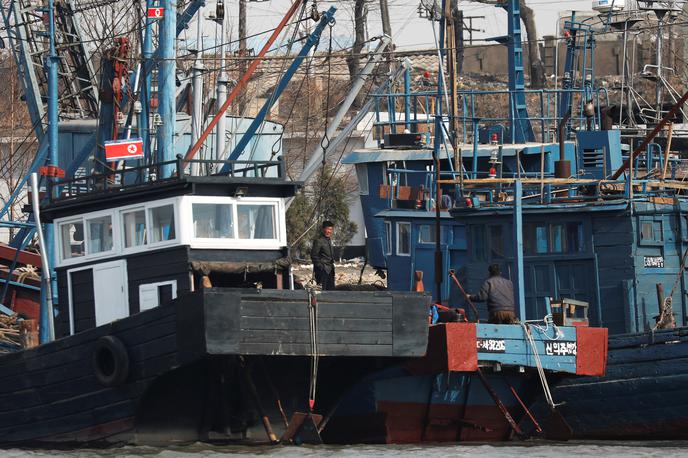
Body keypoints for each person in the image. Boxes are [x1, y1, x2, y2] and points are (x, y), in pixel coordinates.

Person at [311, 221, 336, 290]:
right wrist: (321, 267)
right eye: (327, 229)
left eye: (330, 229)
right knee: (322, 291)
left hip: (330, 270)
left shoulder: (329, 240)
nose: (329, 231)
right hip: (322, 271)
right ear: (323, 229)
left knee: (331, 290)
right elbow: (314, 255)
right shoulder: (319, 241)